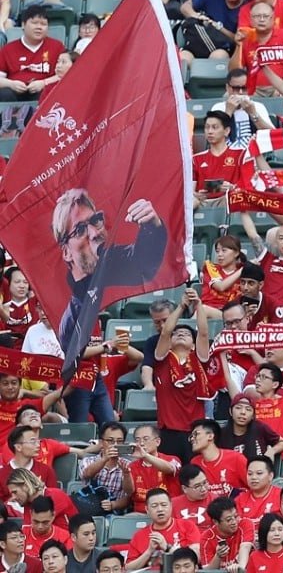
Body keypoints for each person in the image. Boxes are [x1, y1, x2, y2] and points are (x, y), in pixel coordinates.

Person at [52, 187, 166, 380]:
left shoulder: (108, 262)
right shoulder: (69, 312)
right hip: (82, 385)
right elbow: (71, 356)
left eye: (95, 220)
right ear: (66, 252)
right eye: (80, 230)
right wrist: (105, 346)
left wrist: (152, 224)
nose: (95, 233)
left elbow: (143, 263)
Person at [152, 292, 211, 462]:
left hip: (195, 431)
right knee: (171, 478)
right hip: (168, 430)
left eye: (186, 333)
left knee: (193, 476)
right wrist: (181, 306)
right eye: (177, 333)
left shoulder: (199, 359)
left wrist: (199, 304)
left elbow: (204, 334)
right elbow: (165, 332)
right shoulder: (162, 360)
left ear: (193, 344)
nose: (181, 334)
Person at [125, 489, 201, 571]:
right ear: (147, 509)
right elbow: (129, 569)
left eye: (164, 505)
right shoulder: (139, 535)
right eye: (154, 506)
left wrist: (167, 548)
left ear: (171, 506)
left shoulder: (187, 526)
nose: (160, 509)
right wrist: (149, 551)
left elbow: (197, 557)